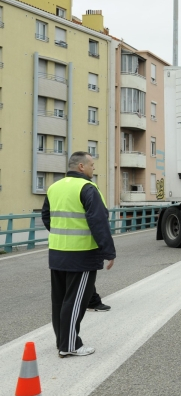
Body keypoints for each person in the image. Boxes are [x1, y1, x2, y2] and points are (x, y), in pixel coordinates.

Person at [42, 151, 116, 358]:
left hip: (57, 252)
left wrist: (61, 235)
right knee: (75, 301)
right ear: (81, 167)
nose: (94, 168)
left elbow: (46, 217)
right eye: (92, 164)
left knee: (60, 300)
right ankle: (70, 344)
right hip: (81, 254)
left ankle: (62, 340)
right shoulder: (87, 188)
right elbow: (98, 222)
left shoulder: (54, 187)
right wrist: (108, 251)